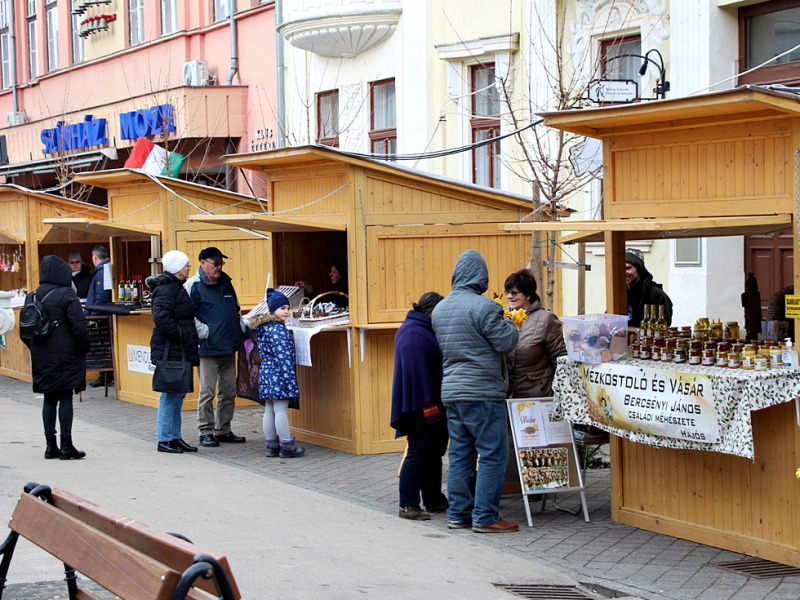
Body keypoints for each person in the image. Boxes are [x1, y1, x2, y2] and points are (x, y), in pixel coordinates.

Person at [431, 249, 520, 533]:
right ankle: (485, 517)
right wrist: (510, 322)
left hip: (452, 392)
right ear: (480, 276)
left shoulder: (441, 308)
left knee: (459, 454)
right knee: (492, 455)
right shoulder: (485, 308)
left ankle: (458, 514)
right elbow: (506, 342)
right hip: (482, 392)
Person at [21, 255, 90, 460]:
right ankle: (67, 445)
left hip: (41, 353)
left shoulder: (32, 296)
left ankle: (50, 446)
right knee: (65, 397)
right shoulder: (67, 295)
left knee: (49, 399)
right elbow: (79, 328)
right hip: (67, 353)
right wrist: (83, 349)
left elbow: (24, 331)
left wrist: (36, 348)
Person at [390, 291, 449, 521]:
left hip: (424, 403)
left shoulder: (417, 329)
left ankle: (433, 498)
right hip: (420, 406)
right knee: (418, 452)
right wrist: (430, 410)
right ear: (433, 311)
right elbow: (419, 377)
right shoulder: (415, 334)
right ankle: (408, 504)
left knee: (433, 452)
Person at [184, 246, 247, 447]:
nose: (219, 267)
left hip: (228, 346)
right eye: (216, 263)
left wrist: (239, 328)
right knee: (207, 392)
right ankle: (205, 431)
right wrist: (206, 333)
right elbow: (187, 316)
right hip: (207, 348)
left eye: (221, 263)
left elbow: (236, 310)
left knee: (229, 390)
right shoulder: (193, 285)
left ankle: (223, 429)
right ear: (202, 263)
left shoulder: (227, 284)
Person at [147, 250, 199, 454]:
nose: (188, 267)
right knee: (170, 394)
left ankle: (174, 436)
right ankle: (165, 438)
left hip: (178, 347)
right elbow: (160, 317)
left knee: (178, 393)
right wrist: (181, 335)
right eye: (186, 265)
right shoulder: (167, 288)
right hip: (171, 348)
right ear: (177, 268)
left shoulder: (174, 286)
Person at [249, 288, 306, 458]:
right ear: (273, 310)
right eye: (282, 308)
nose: (286, 312)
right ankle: (287, 444)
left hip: (266, 372)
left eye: (287, 308)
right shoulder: (279, 330)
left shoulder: (265, 327)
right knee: (281, 410)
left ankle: (271, 444)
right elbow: (284, 359)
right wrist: (289, 381)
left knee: (269, 409)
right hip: (279, 374)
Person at [504, 269, 567, 399]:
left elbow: (560, 360)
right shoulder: (502, 318)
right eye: (507, 292)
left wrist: (561, 395)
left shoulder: (546, 319)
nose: (510, 296)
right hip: (508, 396)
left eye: (514, 293)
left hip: (537, 395)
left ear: (528, 295)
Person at [86, 245, 114, 388]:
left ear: (95, 257)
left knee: (103, 348)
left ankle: (104, 375)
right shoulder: (107, 270)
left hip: (100, 316)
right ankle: (106, 375)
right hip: (103, 314)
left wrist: (94, 316)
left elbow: (100, 297)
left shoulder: (101, 272)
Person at [625, 248, 673, 328]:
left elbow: (663, 326)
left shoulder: (657, 295)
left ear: (639, 269)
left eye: (628, 268)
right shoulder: (619, 294)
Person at [741, 272, 761, 341]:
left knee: (754, 328)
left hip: (754, 314)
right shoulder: (745, 295)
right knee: (750, 327)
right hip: (750, 314)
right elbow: (745, 305)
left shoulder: (756, 294)